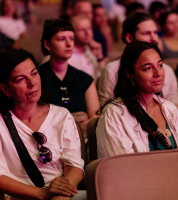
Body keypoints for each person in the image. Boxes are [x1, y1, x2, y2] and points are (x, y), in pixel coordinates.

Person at [0, 48, 86, 200]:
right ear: (5, 89)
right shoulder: (2, 123)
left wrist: (60, 193)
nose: (32, 83)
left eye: (34, 73)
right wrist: (42, 193)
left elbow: (74, 166)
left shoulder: (61, 115)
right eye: (20, 79)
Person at [96, 41, 178, 158]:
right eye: (147, 68)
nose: (157, 73)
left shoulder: (169, 109)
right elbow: (120, 168)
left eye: (160, 65)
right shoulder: (115, 114)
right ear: (130, 74)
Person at [98, 12, 178, 109]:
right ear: (129, 38)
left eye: (155, 32)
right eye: (146, 33)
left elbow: (176, 113)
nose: (154, 38)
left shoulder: (167, 70)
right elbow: (105, 111)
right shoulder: (111, 70)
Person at [39, 19, 99, 136]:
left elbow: (95, 121)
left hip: (83, 144)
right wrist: (79, 118)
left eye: (71, 39)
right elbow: (39, 122)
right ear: (47, 44)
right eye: (61, 39)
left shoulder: (84, 78)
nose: (69, 44)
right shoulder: (37, 77)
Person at [68, 16, 104, 82]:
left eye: (89, 28)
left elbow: (103, 80)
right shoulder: (67, 55)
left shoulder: (92, 50)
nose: (87, 33)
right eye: (81, 29)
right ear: (72, 33)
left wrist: (99, 58)